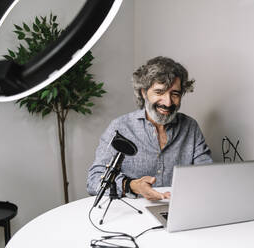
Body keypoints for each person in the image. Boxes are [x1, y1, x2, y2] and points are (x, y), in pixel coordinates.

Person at [87, 56, 212, 201]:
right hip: (133, 214)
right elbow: (94, 181)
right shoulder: (120, 127)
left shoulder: (190, 127)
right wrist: (131, 185)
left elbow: (206, 175)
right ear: (143, 92)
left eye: (175, 94)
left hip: (179, 210)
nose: (168, 102)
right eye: (159, 92)